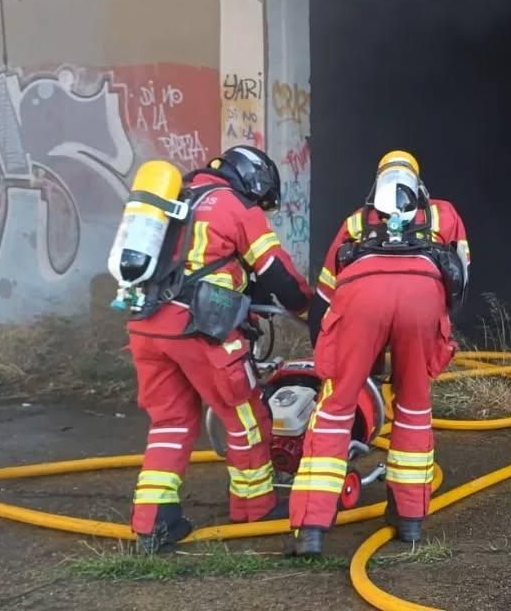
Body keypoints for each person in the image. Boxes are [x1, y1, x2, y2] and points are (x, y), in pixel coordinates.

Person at [125, 145, 313, 552]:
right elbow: (276, 273)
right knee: (244, 413)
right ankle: (255, 508)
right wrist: (309, 308)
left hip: (146, 327)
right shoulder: (234, 206)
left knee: (169, 423)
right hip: (201, 330)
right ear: (254, 180)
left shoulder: (173, 199)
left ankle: (153, 523)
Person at [288, 150, 469, 556]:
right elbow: (461, 277)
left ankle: (312, 526)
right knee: (414, 407)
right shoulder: (444, 215)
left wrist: (325, 345)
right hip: (422, 297)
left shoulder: (355, 221)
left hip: (359, 296)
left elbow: (325, 291)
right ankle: (409, 520)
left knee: (335, 408)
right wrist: (434, 315)